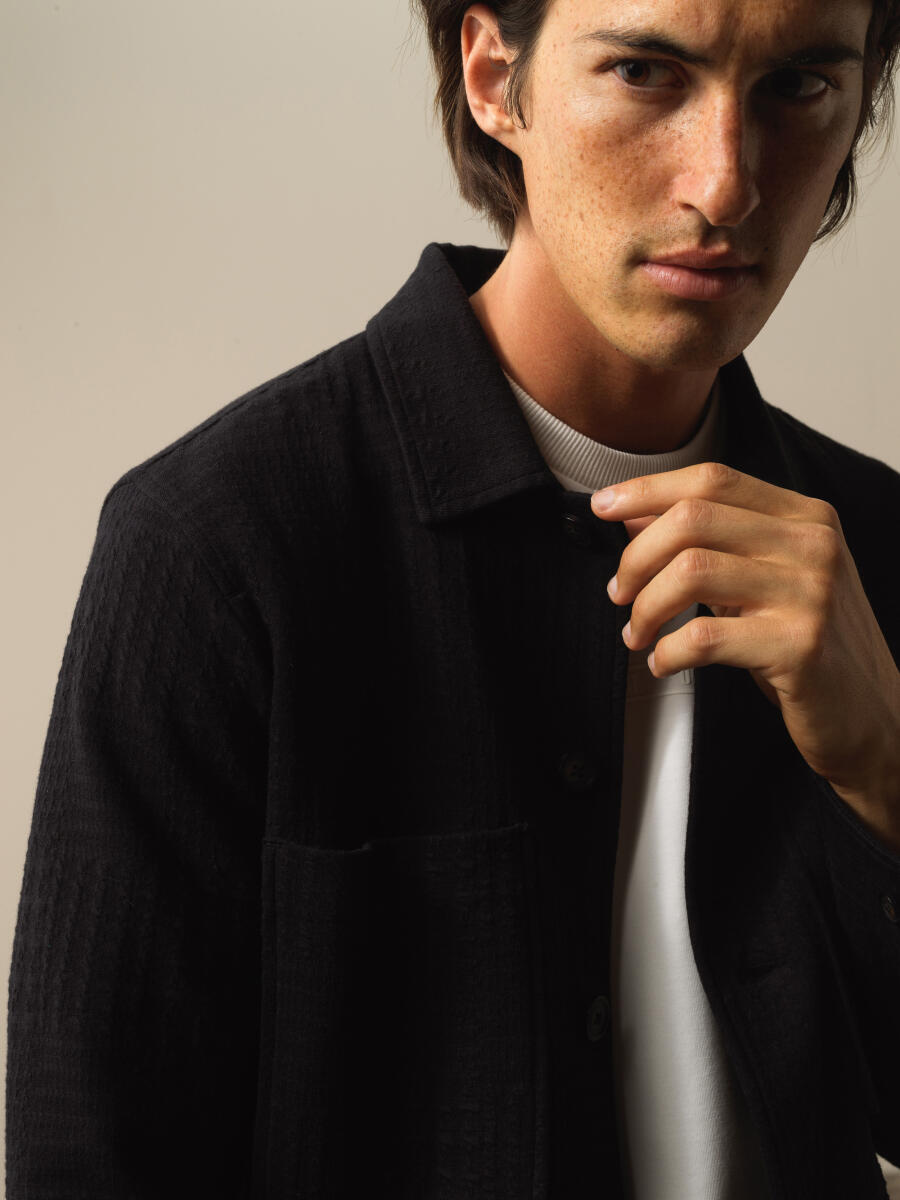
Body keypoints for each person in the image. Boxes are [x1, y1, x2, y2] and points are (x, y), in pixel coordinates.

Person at [7, 0, 900, 1196]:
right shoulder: (220, 550)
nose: (726, 181)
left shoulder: (874, 549)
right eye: (646, 72)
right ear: (494, 76)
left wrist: (888, 771)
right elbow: (92, 1158)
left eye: (799, 87)